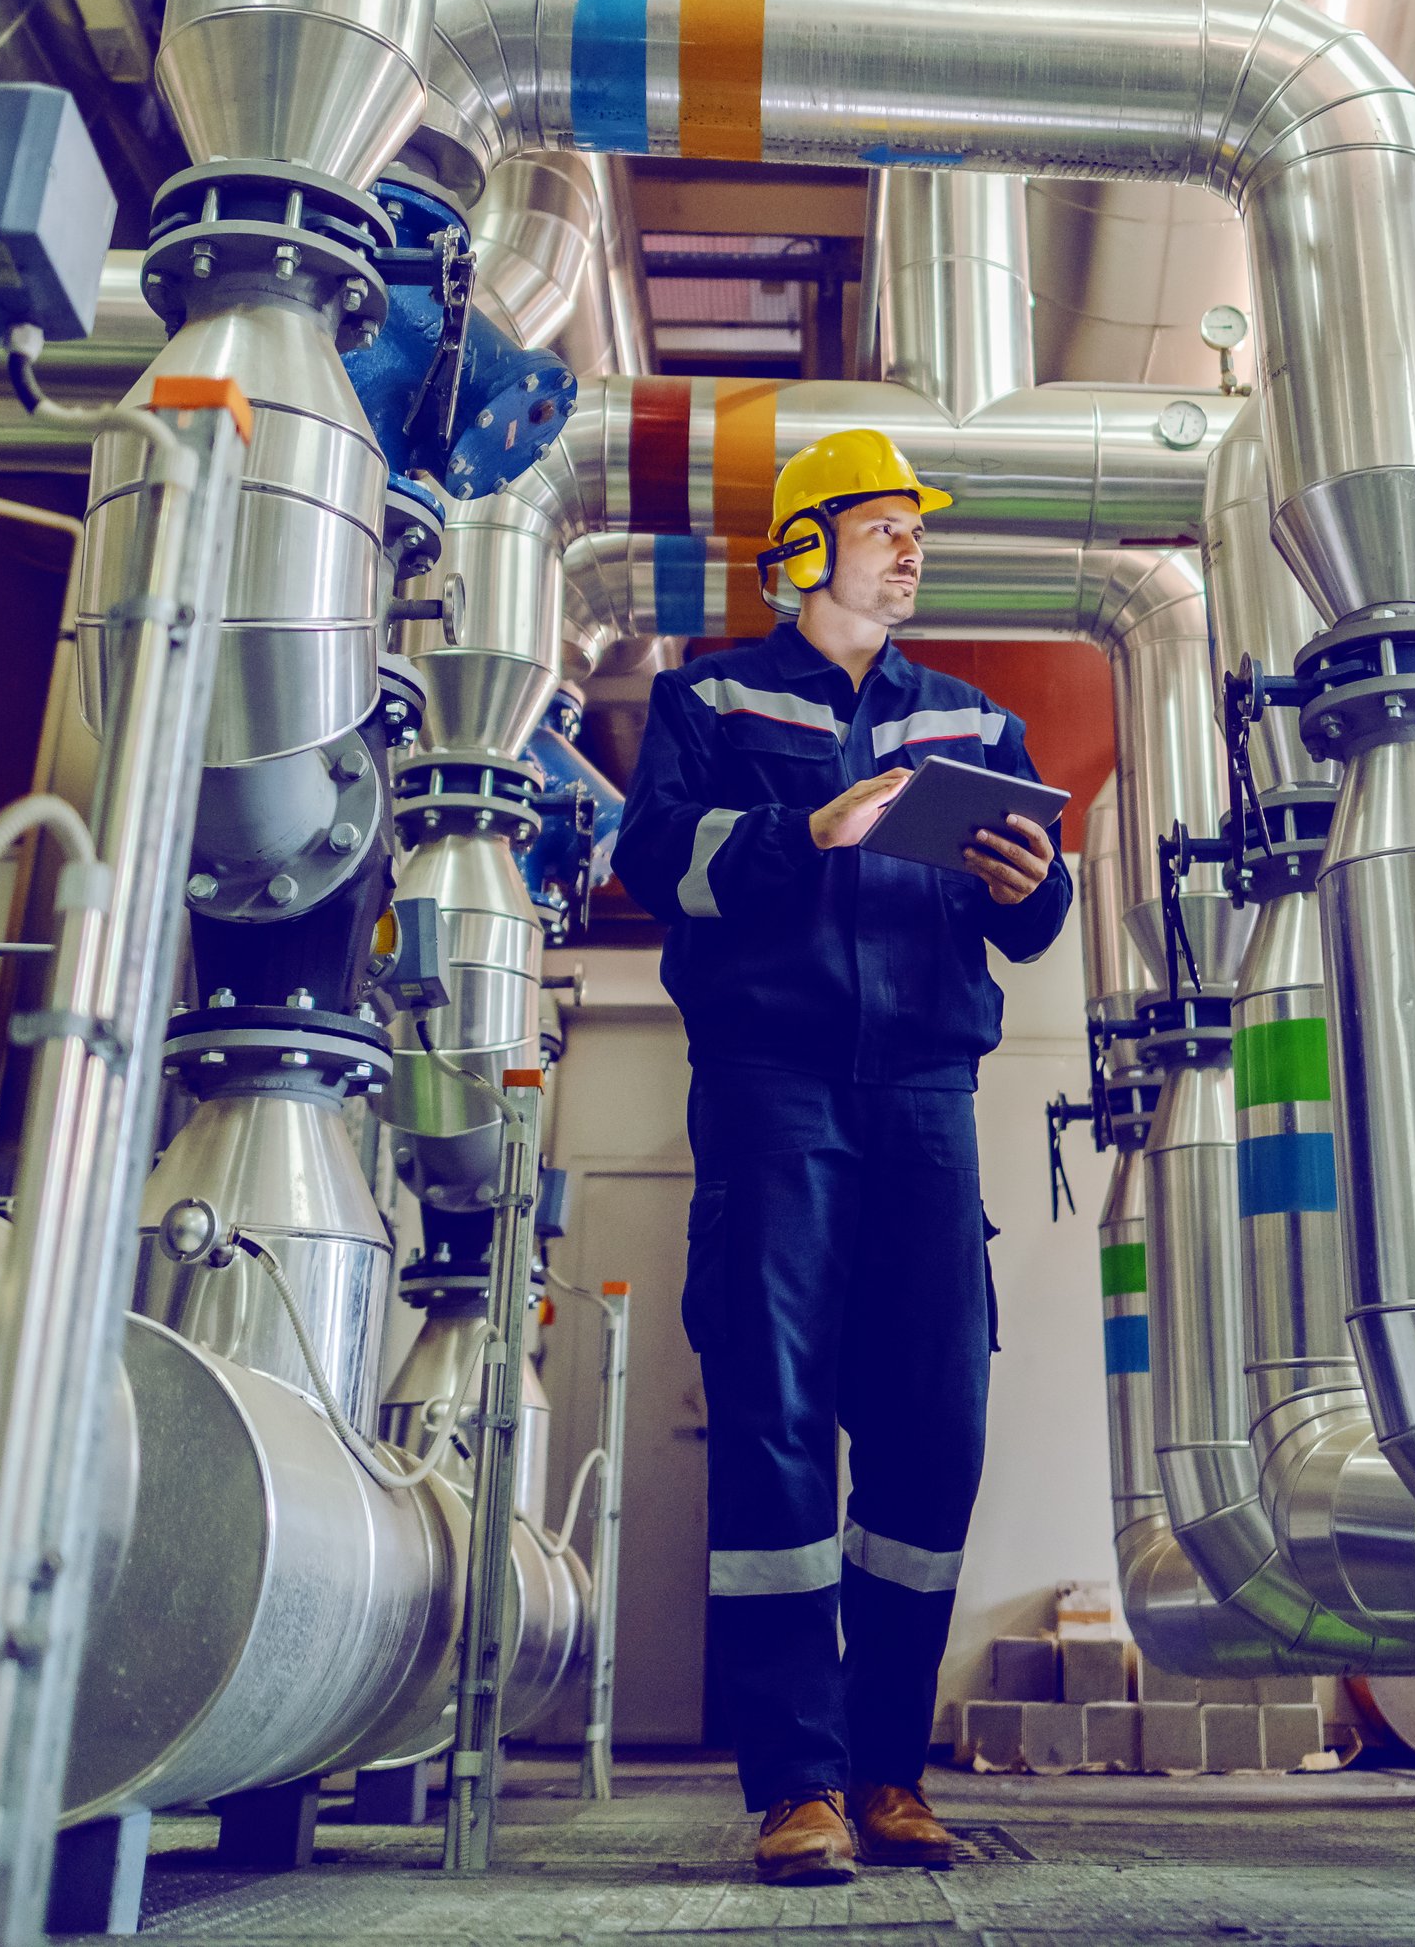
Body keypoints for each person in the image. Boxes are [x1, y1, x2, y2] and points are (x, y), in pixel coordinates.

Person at [610, 426, 1071, 1886]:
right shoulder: (710, 698)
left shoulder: (974, 723)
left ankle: (889, 1774)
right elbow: (654, 862)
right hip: (775, 1089)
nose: (911, 547)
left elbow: (1024, 922)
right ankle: (795, 1784)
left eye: (916, 530)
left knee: (936, 1430)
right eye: (883, 524)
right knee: (776, 1422)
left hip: (928, 1095)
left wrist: (1034, 887)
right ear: (804, 547)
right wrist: (797, 832)